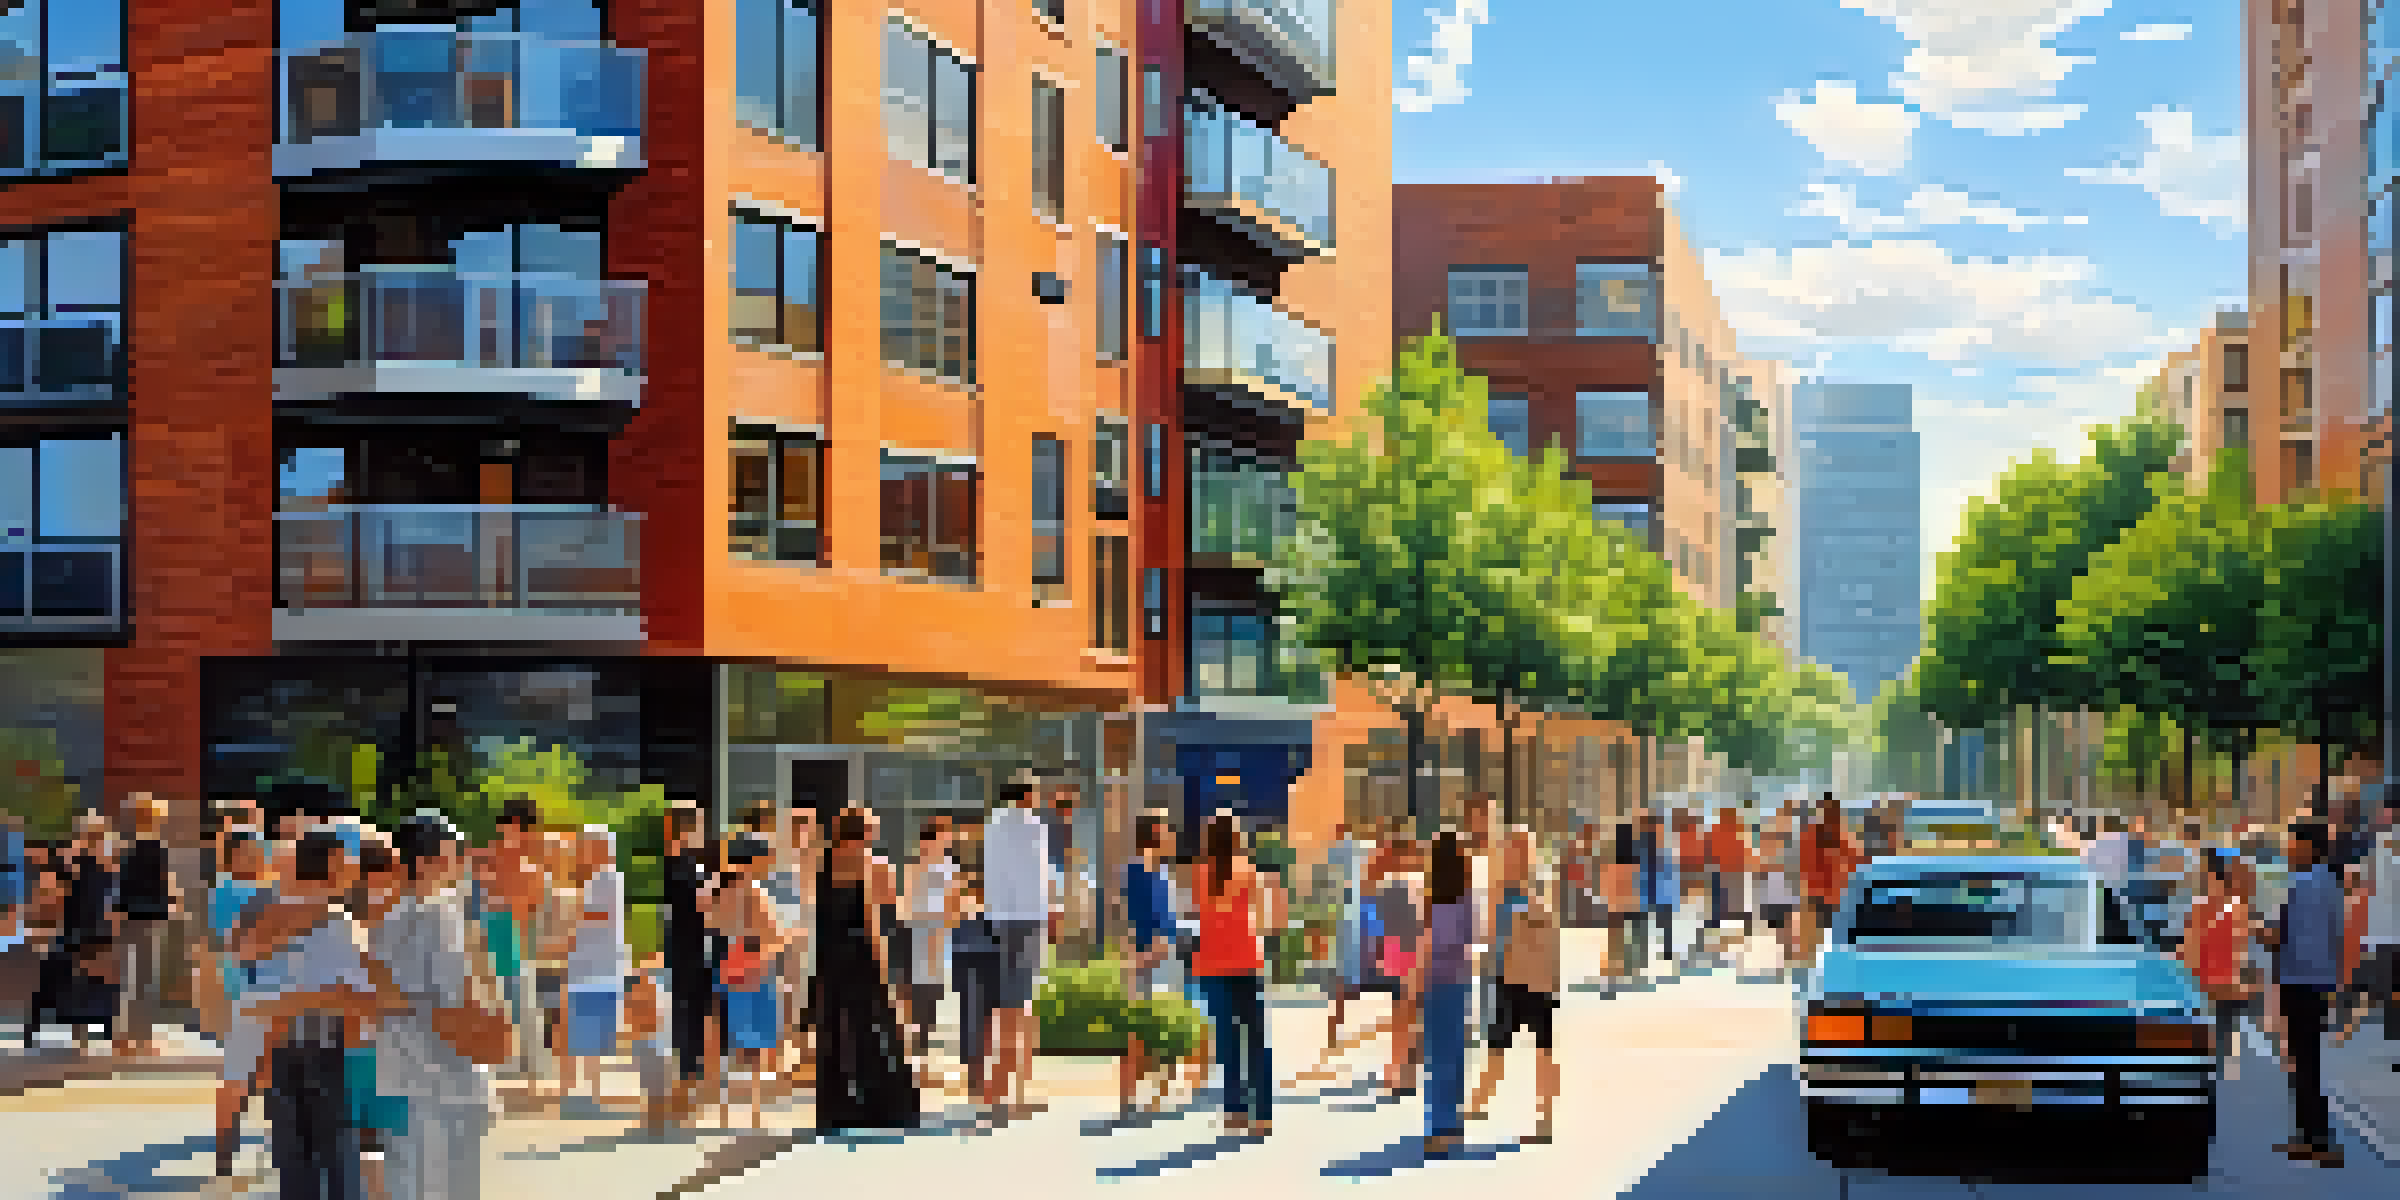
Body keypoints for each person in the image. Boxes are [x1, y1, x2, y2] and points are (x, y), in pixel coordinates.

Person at [232, 829, 405, 1200]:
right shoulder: (337, 921)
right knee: (337, 1163)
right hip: (325, 1050)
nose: (354, 869)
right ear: (328, 865)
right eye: (346, 862)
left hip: (283, 1050)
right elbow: (360, 996)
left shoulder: (272, 916)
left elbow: (254, 990)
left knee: (297, 1167)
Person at [382, 814, 510, 1200]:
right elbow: (457, 996)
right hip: (449, 1071)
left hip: (399, 1069)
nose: (461, 860)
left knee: (409, 1180)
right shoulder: (441, 915)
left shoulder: (385, 918)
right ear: (425, 862)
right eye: (452, 852)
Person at [816, 807, 920, 1132]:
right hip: (861, 955)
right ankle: (882, 1107)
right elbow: (874, 919)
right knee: (875, 1027)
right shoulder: (872, 865)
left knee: (835, 1031)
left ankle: (836, 1109)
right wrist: (885, 965)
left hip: (830, 957)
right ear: (863, 832)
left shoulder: (824, 861)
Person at [2262, 820, 2348, 1167]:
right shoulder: (2329, 883)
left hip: (2300, 982)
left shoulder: (2302, 884)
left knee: (2304, 1063)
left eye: (2293, 845)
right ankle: (2309, 1137)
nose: (2287, 850)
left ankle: (2318, 1141)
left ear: (2310, 849)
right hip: (2317, 981)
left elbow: (2288, 939)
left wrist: (2262, 934)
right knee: (2306, 1061)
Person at [1466, 830, 1559, 1144]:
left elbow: (1549, 932)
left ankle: (1544, 1119)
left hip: (1535, 979)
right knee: (1496, 1045)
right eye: (1508, 851)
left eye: (1518, 851)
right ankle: (1479, 1103)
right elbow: (1489, 936)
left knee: (1542, 1050)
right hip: (1506, 978)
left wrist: (1553, 980)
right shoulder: (1499, 891)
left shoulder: (1538, 889)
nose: (1511, 857)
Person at [1191, 812, 1275, 1138]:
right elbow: (1264, 920)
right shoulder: (1250, 873)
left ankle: (1234, 1112)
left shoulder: (1200, 876)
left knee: (1227, 1043)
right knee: (1255, 1041)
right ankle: (1262, 1116)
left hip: (1214, 966)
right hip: (1247, 963)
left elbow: (1202, 915)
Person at [981, 774, 1057, 1122]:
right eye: (1037, 792)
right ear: (1026, 795)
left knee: (1007, 1006)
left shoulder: (992, 825)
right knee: (1021, 1007)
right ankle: (1007, 1094)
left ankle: (1006, 1092)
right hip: (1027, 920)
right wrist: (1049, 916)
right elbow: (1039, 879)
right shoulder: (1032, 826)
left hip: (998, 921)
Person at [207, 830, 280, 1182]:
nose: (255, 857)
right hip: (252, 990)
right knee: (245, 1073)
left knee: (258, 1072)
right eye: (249, 852)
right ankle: (227, 1149)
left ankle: (243, 1147)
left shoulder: (230, 890)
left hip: (255, 991)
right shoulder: (236, 892)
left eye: (258, 851)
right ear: (233, 856)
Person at [713, 832, 788, 1129]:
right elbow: (772, 934)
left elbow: (715, 925)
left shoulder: (723, 891)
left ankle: (725, 1109)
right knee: (755, 1045)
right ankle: (755, 1111)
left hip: (730, 966)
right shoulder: (755, 890)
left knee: (733, 1041)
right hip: (755, 967)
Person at [659, 803, 719, 1129]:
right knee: (687, 1023)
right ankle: (683, 1099)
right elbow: (699, 905)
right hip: (686, 954)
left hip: (693, 952)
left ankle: (688, 1095)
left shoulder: (689, 864)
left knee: (694, 1022)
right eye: (696, 825)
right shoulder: (679, 865)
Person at [559, 826, 627, 1114]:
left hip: (595, 972)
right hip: (591, 971)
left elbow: (599, 917)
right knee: (584, 1038)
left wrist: (569, 924)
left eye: (586, 846)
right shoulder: (595, 881)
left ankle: (588, 1095)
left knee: (589, 1039)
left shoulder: (607, 879)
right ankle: (582, 1094)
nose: (581, 852)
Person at [1418, 829, 1475, 1157]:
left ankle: (1437, 1126)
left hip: (1432, 980)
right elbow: (1471, 939)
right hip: (1457, 981)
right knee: (1454, 1053)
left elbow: (1422, 941)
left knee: (1435, 1056)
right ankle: (1451, 1124)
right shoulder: (1467, 897)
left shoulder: (1428, 898)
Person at [2181, 850, 2258, 1082]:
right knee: (2225, 1022)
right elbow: (2243, 947)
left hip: (2208, 979)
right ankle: (2225, 1063)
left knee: (2213, 1023)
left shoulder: (2202, 907)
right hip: (2226, 979)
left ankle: (2217, 1062)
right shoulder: (2237, 907)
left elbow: (2191, 946)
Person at [1120, 815, 1178, 1116]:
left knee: (1157, 1029)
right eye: (1166, 830)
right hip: (1146, 956)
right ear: (1154, 834)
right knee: (1141, 1030)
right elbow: (1130, 919)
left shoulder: (1159, 871)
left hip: (1159, 956)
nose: (1171, 835)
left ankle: (1155, 1097)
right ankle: (1131, 1100)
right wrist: (1140, 956)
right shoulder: (1138, 871)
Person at [114, 791, 179, 1059]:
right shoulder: (158, 848)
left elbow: (122, 886)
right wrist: (172, 905)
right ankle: (142, 1038)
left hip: (129, 918)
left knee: (129, 980)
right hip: (150, 918)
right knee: (145, 981)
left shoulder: (127, 848)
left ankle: (125, 1037)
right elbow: (162, 885)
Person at [948, 834, 1002, 1119]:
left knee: (981, 1018)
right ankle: (976, 1079)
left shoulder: (988, 888)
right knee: (976, 1018)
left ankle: (979, 1079)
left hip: (981, 957)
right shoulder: (961, 888)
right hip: (973, 957)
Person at [903, 816, 958, 1088]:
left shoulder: (949, 867)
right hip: (922, 940)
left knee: (934, 1001)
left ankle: (924, 1064)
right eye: (944, 834)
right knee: (919, 1002)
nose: (948, 838)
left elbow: (954, 904)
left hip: (943, 942)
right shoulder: (916, 868)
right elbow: (908, 909)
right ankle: (916, 1064)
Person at [1373, 834, 1425, 1096]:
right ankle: (1403, 1072)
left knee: (1401, 1017)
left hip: (1401, 954)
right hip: (1413, 953)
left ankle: (1398, 1074)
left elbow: (1386, 924)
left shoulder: (1392, 884)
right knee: (1411, 1015)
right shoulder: (1421, 882)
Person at [2366, 798, 2400, 1056]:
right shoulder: (2378, 846)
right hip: (2384, 932)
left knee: (2390, 990)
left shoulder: (2382, 845)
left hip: (2387, 933)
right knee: (2389, 990)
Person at [1709, 807, 1753, 940]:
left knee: (1727, 898)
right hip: (1729, 870)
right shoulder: (1734, 833)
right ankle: (1724, 925)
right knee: (1728, 898)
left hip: (1728, 870)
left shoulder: (1724, 832)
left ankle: (1722, 925)